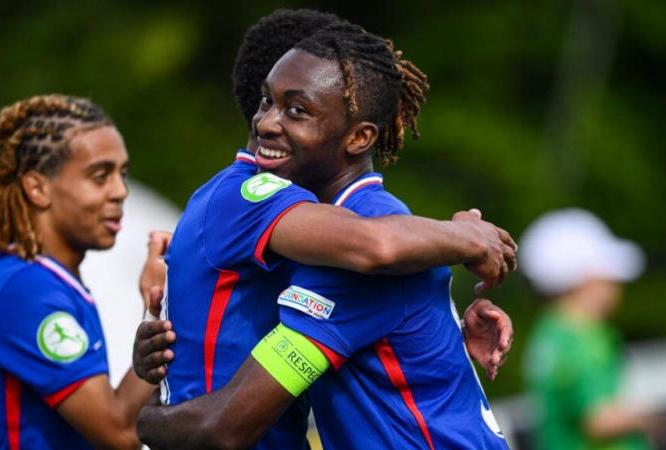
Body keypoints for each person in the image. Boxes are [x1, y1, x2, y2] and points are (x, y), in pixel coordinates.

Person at [135, 22, 511, 450]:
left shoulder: (362, 245)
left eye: (297, 109)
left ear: (359, 136)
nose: (269, 122)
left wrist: (145, 420)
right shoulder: (334, 228)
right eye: (268, 101)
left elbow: (223, 428)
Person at [0, 95, 154, 450]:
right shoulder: (25, 292)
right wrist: (170, 306)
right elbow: (121, 433)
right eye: (100, 176)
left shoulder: (42, 281)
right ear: (37, 188)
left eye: (121, 174)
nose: (120, 191)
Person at [521, 208, 665, 450]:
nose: (616, 284)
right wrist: (653, 419)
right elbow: (599, 419)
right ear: (584, 277)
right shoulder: (584, 338)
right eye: (608, 274)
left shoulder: (548, 333)